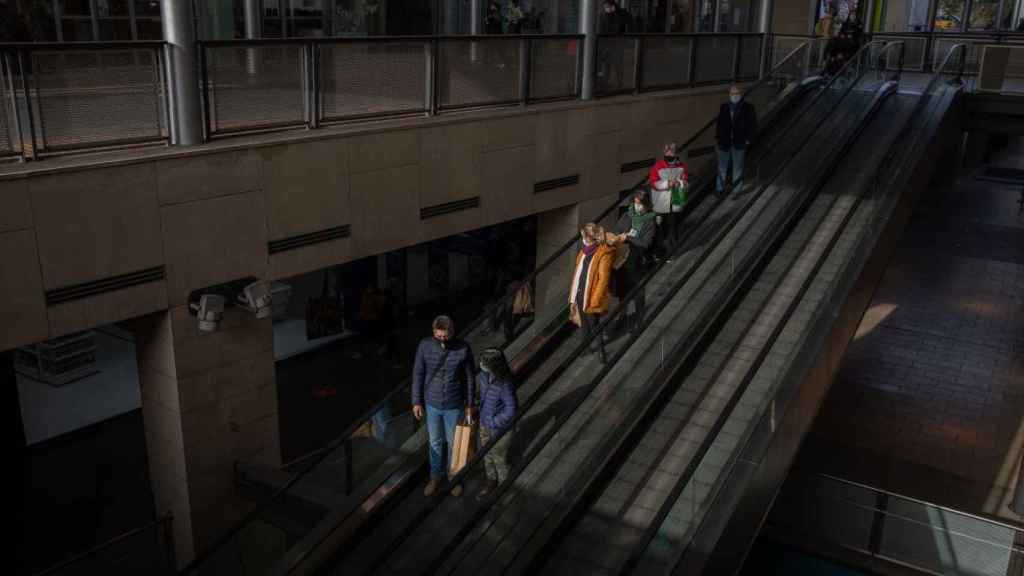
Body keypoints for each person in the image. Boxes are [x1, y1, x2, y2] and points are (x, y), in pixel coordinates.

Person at [411, 315, 476, 497]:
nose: (442, 340)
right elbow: (418, 373)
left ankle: (454, 477)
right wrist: (416, 401)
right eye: (439, 336)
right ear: (434, 332)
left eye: (445, 336)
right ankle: (435, 477)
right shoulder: (425, 346)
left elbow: (470, 378)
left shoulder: (463, 348)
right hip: (432, 404)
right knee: (435, 442)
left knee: (455, 443)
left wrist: (470, 404)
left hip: (454, 404)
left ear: (452, 332)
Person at [475, 348, 518, 500]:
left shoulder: (505, 383)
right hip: (484, 423)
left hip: (498, 429)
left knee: (499, 458)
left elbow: (511, 409)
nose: (481, 364)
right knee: (487, 455)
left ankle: (504, 489)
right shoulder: (483, 376)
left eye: (484, 362)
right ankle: (491, 480)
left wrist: (493, 422)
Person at [569, 223, 615, 363]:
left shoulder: (603, 253)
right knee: (584, 324)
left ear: (590, 238)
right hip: (580, 293)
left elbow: (603, 280)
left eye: (584, 236)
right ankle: (586, 348)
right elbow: (578, 272)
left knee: (594, 325)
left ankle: (601, 352)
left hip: (591, 296)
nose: (582, 239)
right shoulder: (583, 251)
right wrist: (573, 295)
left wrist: (594, 300)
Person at [613, 189, 656, 333]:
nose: (638, 207)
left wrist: (629, 237)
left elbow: (646, 243)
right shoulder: (626, 215)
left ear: (646, 205)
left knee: (638, 292)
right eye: (636, 203)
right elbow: (616, 231)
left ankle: (639, 320)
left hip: (637, 261)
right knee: (622, 290)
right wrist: (621, 236)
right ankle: (622, 316)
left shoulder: (650, 220)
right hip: (623, 260)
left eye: (640, 204)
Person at [649, 142, 689, 259]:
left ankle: (672, 253)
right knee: (660, 229)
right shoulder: (658, 166)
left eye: (672, 153)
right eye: (667, 153)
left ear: (676, 154)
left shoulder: (682, 167)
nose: (669, 155)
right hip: (661, 203)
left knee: (673, 229)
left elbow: (686, 183)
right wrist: (667, 183)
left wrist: (680, 183)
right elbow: (653, 183)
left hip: (675, 202)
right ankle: (658, 253)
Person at [716, 85, 757, 195]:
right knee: (722, 167)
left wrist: (749, 139)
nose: (734, 95)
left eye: (736, 93)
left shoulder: (748, 108)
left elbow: (752, 125)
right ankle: (719, 189)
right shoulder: (724, 107)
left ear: (740, 94)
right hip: (724, 142)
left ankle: (736, 190)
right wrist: (718, 138)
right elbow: (719, 124)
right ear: (729, 95)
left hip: (740, 142)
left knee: (738, 168)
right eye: (732, 93)